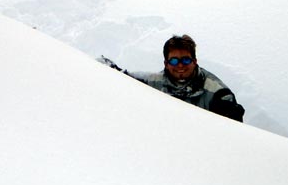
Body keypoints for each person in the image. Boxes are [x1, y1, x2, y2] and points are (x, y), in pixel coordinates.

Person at [100, 35, 245, 122]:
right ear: (166, 64)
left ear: (195, 61)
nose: (180, 65)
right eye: (174, 61)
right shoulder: (155, 82)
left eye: (186, 60)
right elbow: (127, 78)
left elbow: (233, 132)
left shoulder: (218, 94)